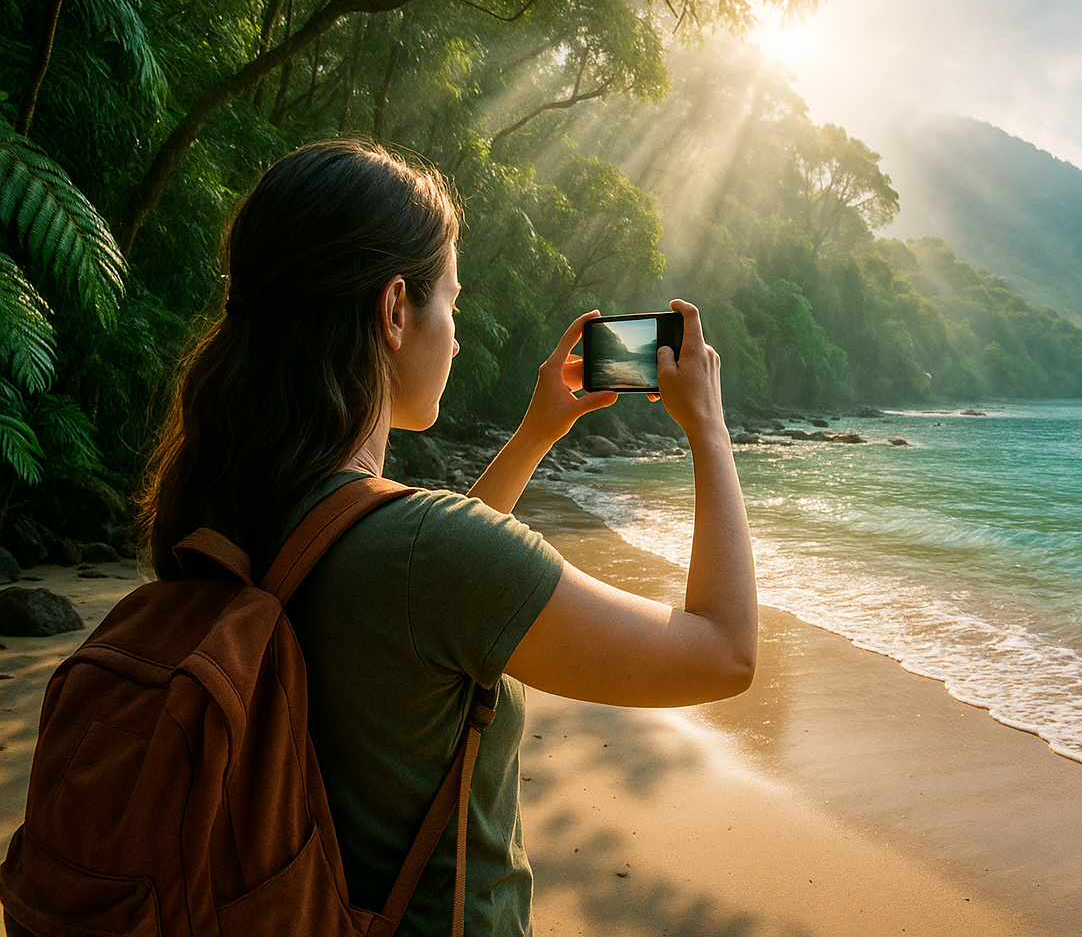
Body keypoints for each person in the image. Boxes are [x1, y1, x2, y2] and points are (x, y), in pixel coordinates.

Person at [139, 138, 756, 935]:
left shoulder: (227, 513)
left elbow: (428, 590)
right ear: (394, 311)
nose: (458, 336)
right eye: (452, 304)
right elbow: (724, 652)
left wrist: (535, 434)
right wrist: (708, 428)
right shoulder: (427, 557)